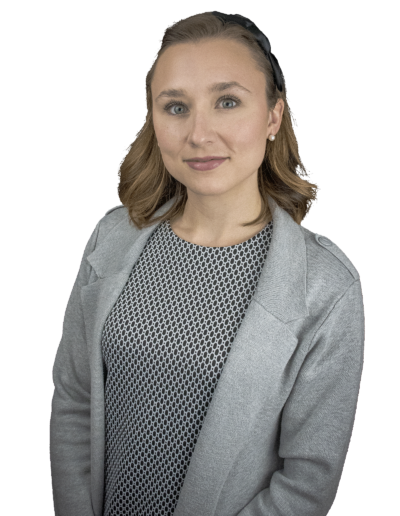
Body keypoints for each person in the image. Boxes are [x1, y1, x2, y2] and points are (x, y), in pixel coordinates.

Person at [49, 10, 365, 516]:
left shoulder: (327, 287)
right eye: (176, 107)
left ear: (272, 117)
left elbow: (306, 483)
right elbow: (74, 398)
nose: (198, 134)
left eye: (227, 102)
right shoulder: (110, 236)